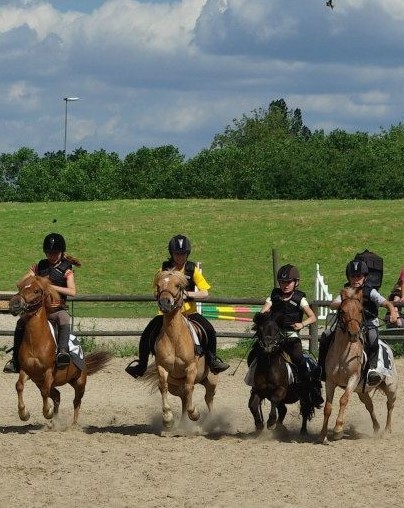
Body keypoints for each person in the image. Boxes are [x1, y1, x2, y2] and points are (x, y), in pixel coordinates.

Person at [125, 234, 229, 378]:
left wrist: (187, 295)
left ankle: (212, 361)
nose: (180, 257)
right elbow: (156, 290)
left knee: (209, 330)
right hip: (166, 313)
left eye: (183, 254)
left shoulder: (192, 270)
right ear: (171, 254)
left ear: (187, 254)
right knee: (147, 333)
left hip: (189, 313)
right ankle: (141, 365)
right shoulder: (163, 269)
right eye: (177, 254)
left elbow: (205, 292)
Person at [3, 233, 81, 373]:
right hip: (38, 310)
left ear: (61, 252)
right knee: (21, 322)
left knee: (64, 317)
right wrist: (31, 275)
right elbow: (19, 284)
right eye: (49, 253)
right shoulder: (40, 266)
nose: (52, 256)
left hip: (56, 309)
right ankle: (15, 360)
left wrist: (49, 286)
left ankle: (62, 352)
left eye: (55, 253)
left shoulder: (66, 270)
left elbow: (72, 291)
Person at [248, 264, 323, 409]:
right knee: (254, 354)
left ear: (296, 283)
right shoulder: (274, 296)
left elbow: (313, 317)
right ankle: (256, 385)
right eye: (282, 282)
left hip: (290, 335)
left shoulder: (300, 298)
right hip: (274, 335)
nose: (285, 285)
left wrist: (302, 324)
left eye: (289, 282)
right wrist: (262, 317)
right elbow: (264, 309)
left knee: (299, 359)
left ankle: (308, 388)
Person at [318, 260, 398, 386]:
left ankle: (372, 369)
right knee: (326, 335)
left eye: (359, 276)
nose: (355, 279)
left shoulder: (370, 291)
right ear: (349, 277)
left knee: (372, 338)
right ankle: (322, 368)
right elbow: (333, 305)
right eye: (353, 276)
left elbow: (385, 302)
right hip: (348, 324)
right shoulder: (346, 291)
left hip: (368, 322)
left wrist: (392, 311)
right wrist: (345, 302)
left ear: (365, 277)